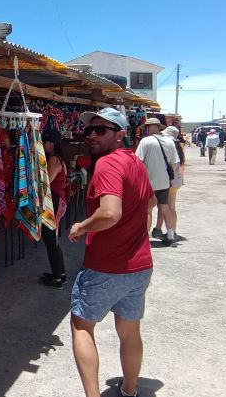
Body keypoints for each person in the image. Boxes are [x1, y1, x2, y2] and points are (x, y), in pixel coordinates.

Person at [69, 108, 155, 397]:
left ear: (120, 135)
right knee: (130, 331)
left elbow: (110, 213)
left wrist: (82, 226)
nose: (92, 135)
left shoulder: (108, 164)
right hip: (139, 266)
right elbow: (151, 202)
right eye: (90, 130)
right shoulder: (135, 163)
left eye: (101, 130)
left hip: (107, 265)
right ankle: (129, 391)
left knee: (81, 326)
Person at [136, 118, 180, 245]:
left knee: (148, 210)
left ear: (149, 127)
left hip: (148, 183)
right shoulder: (169, 141)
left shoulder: (145, 141)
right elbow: (175, 165)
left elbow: (137, 163)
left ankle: (144, 240)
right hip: (164, 183)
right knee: (165, 208)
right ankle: (171, 237)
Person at [40, 129, 68, 288]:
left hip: (54, 201)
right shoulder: (60, 159)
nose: (43, 145)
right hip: (57, 201)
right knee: (52, 239)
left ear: (51, 143)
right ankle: (60, 274)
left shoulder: (54, 160)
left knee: (51, 240)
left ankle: (57, 278)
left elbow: (47, 183)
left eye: (44, 142)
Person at [154, 126, 184, 241]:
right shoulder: (177, 147)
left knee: (169, 207)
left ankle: (172, 232)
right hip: (175, 180)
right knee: (165, 206)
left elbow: (174, 166)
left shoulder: (170, 146)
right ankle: (159, 229)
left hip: (170, 181)